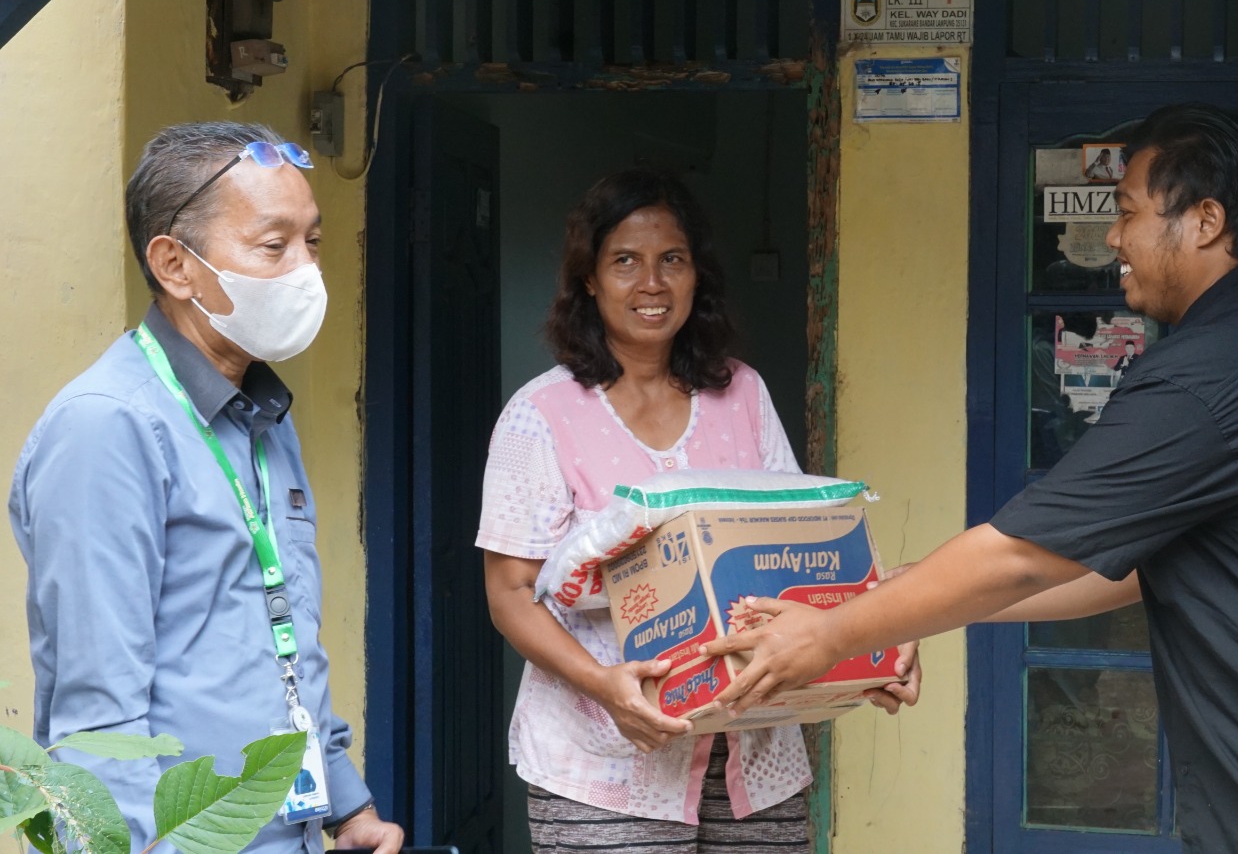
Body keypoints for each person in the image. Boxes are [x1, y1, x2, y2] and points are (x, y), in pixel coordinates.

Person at [703, 102, 1238, 851]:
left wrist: (834, 634)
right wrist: (884, 605)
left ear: (1205, 222)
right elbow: (1116, 569)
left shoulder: (1217, 373)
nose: (1114, 239)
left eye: (1128, 211)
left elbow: (1024, 553)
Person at [477, 168, 917, 853]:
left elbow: (796, 547)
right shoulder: (541, 415)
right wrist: (605, 686)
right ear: (589, 279)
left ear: (696, 276)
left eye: (671, 260)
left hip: (753, 755)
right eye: (625, 261)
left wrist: (864, 651)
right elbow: (509, 595)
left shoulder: (740, 393)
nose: (651, 283)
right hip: (607, 761)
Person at [9, 122, 403, 853]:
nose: (304, 272)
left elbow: (284, 645)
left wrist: (347, 807)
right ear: (174, 265)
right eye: (273, 245)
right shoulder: (107, 430)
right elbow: (100, 722)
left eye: (311, 243)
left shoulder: (261, 412)